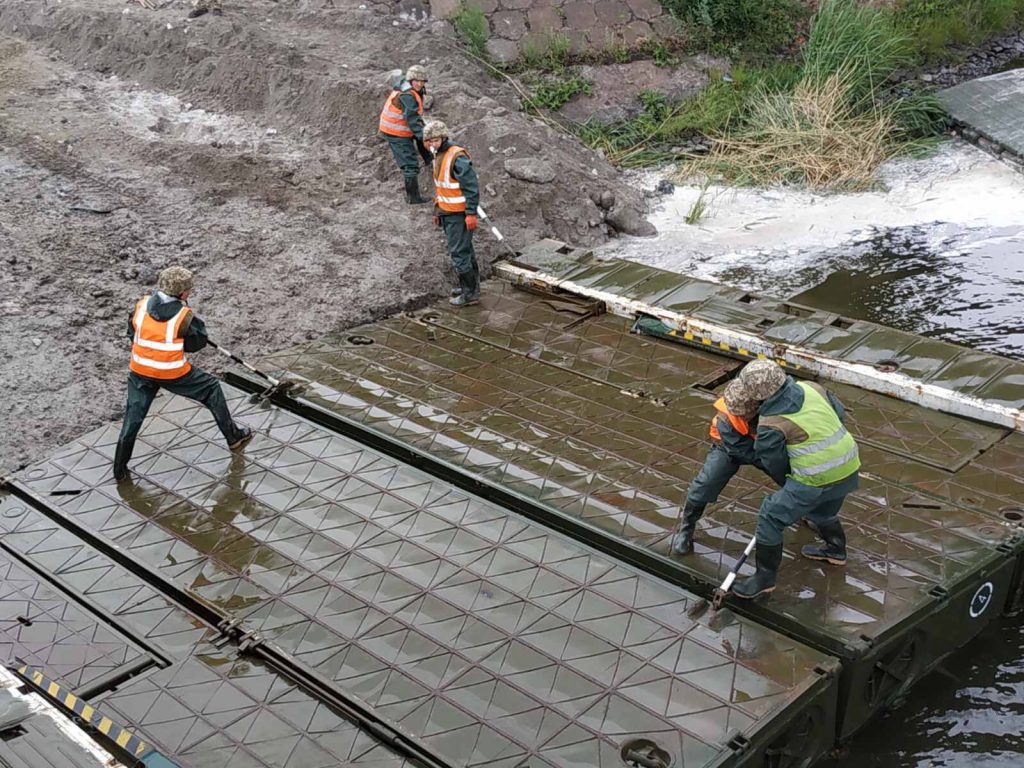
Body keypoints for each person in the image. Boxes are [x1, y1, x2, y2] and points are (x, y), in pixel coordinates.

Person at [731, 360, 861, 599]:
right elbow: (839, 414)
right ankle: (835, 550)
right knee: (823, 509)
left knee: (770, 516)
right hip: (849, 464)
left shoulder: (771, 425)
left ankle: (763, 579)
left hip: (815, 477)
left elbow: (775, 464)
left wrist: (791, 486)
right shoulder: (812, 388)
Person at [112, 266, 253, 482]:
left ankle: (119, 469)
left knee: (133, 417)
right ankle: (234, 437)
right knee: (211, 388)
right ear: (183, 293)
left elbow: (132, 333)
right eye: (189, 289)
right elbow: (197, 343)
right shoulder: (184, 316)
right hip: (173, 373)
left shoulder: (140, 307)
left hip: (139, 371)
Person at [671, 378, 785, 555]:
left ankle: (806, 510)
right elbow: (743, 451)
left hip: (764, 444)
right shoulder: (727, 416)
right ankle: (686, 527)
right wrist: (772, 461)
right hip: (728, 447)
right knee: (705, 484)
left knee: (793, 478)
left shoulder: (771, 402)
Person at [423, 119, 482, 307]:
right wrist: (437, 211)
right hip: (447, 212)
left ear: (443, 137)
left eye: (435, 140)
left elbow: (471, 188)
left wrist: (471, 213)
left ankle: (470, 293)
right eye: (428, 141)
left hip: (459, 214)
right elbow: (442, 189)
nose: (431, 144)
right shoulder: (438, 156)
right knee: (465, 250)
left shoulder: (457, 157)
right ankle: (471, 287)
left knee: (459, 252)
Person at [379, 65, 432, 205]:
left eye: (423, 81)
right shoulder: (407, 95)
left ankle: (430, 161)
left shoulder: (411, 88)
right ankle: (413, 198)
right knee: (410, 165)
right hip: (395, 131)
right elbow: (412, 120)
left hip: (402, 126)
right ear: (410, 79)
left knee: (423, 135)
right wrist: (425, 138)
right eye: (417, 81)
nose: (420, 84)